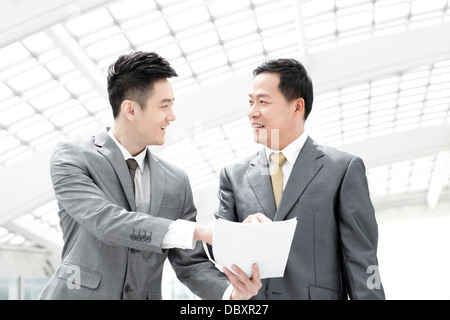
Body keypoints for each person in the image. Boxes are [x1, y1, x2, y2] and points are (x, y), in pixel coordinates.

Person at [38, 51, 261, 300]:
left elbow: (190, 263)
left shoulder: (177, 181)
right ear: (130, 110)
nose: (172, 116)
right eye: (164, 106)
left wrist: (232, 292)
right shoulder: (73, 158)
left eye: (172, 105)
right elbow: (105, 221)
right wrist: (201, 231)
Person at [215, 58, 385, 300]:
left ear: (297, 107)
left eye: (263, 101)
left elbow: (363, 261)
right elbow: (218, 254)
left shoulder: (342, 170)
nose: (252, 112)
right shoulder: (233, 176)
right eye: (251, 102)